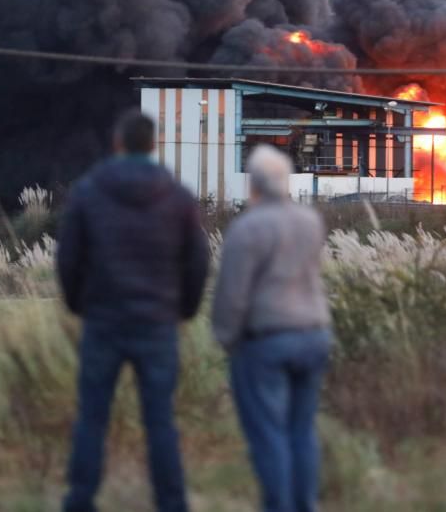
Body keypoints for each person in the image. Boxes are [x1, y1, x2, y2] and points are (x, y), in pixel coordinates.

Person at [56, 109, 209, 512]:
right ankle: (172, 504)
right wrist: (184, 308)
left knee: (92, 418)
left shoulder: (88, 192)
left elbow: (68, 257)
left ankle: (80, 501)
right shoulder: (177, 196)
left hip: (103, 322)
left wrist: (78, 303)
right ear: (154, 145)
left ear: (118, 144)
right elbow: (197, 260)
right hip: (157, 324)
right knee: (160, 422)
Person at [212, 145, 333, 512]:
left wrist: (226, 338)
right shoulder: (310, 221)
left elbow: (232, 294)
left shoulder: (246, 229)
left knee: (269, 434)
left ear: (254, 186)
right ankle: (305, 504)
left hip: (267, 340)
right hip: (314, 335)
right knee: (302, 430)